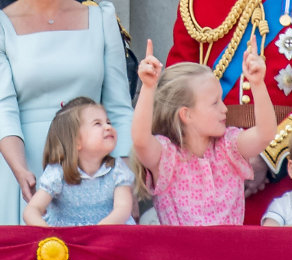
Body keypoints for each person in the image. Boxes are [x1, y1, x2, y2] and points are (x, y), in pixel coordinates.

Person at [165, 0, 292, 225]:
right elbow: (175, 91)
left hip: (286, 175)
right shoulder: (196, 5)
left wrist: (267, 156)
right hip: (206, 171)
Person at [0, 0, 133, 225]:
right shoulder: (2, 23)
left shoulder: (102, 17)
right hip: (21, 169)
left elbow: (119, 107)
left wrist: (127, 183)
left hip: (95, 175)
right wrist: (20, 169)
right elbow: (3, 107)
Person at [132, 38, 276, 226]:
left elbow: (265, 134)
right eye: (215, 103)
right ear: (187, 114)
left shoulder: (229, 146)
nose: (225, 109)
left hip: (228, 253)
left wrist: (258, 84)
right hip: (182, 254)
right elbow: (141, 140)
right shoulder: (167, 156)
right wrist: (148, 88)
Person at [23, 97, 135, 226]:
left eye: (108, 122)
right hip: (66, 238)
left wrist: (97, 232)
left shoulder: (118, 170)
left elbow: (123, 210)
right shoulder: (58, 173)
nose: (108, 127)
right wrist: (49, 234)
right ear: (75, 141)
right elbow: (32, 210)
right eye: (97, 124)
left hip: (108, 235)